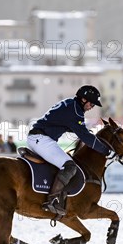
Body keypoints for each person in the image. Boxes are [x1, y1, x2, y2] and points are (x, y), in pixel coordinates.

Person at [27, 84, 110, 216]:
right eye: (91, 104)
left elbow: (67, 124)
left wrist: (83, 131)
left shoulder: (70, 104)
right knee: (70, 166)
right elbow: (84, 137)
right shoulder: (76, 110)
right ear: (83, 100)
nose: (92, 107)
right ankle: (52, 200)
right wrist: (104, 149)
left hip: (38, 138)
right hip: (42, 139)